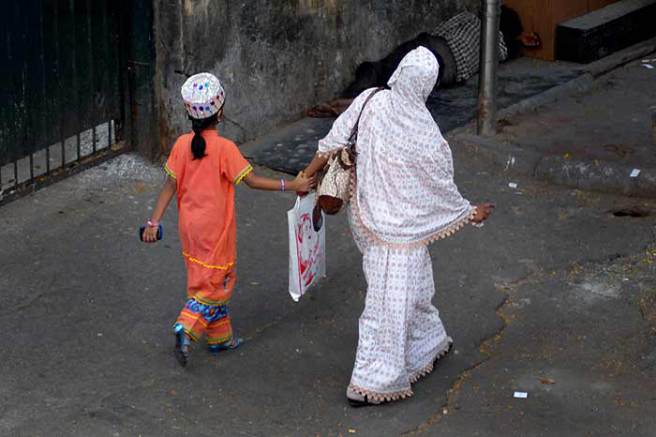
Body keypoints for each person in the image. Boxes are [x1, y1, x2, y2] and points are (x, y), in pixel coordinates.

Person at [302, 47, 494, 406]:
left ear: (400, 72)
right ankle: (373, 381)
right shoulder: (427, 134)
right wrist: (468, 213)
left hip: (364, 216)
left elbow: (332, 143)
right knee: (388, 303)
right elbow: (440, 186)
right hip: (403, 231)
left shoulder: (369, 100)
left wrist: (305, 176)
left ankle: (427, 341)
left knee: (414, 286)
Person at [142, 72, 315, 367]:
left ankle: (220, 338)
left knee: (206, 276)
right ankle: (187, 325)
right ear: (220, 112)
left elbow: (169, 186)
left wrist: (153, 223)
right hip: (215, 230)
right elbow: (254, 181)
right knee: (214, 282)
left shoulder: (182, 145)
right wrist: (292, 186)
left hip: (190, 228)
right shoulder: (225, 149)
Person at [307, 6, 540, 117]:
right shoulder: (497, 47)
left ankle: (348, 97)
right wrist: (522, 40)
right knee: (394, 90)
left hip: (427, 45)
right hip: (445, 67)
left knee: (381, 68)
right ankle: (353, 106)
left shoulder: (469, 18)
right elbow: (510, 50)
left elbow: (441, 29)